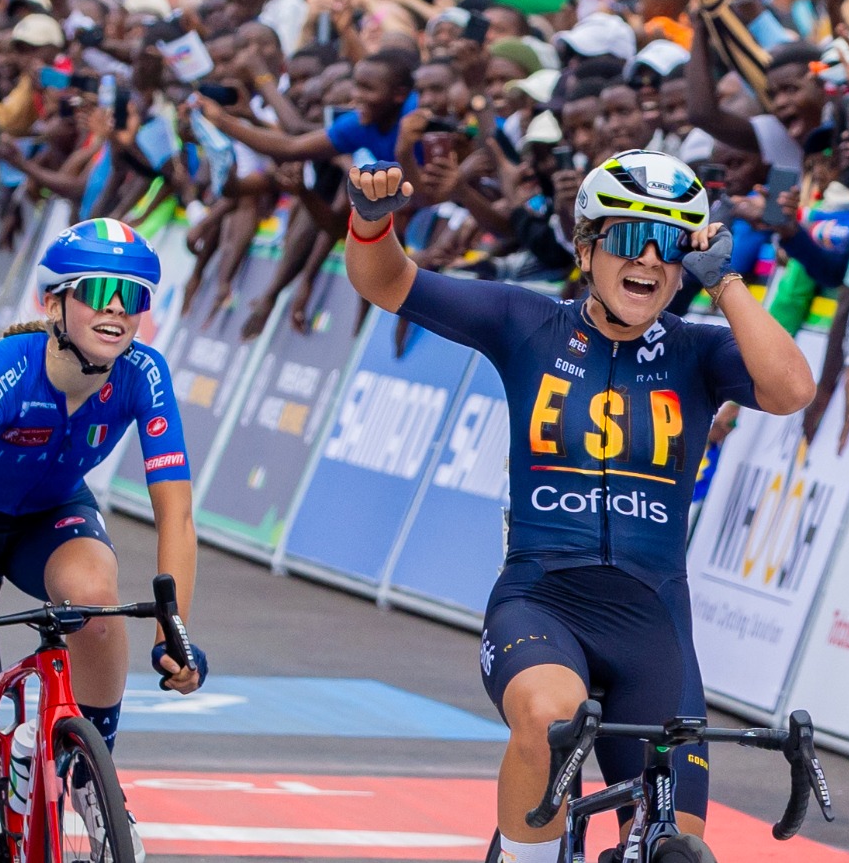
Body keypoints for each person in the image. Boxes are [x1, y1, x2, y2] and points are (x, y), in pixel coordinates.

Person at [343, 150, 815, 863]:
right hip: (543, 601)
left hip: (652, 622)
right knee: (548, 714)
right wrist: (372, 221)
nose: (649, 261)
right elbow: (389, 282)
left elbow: (790, 390)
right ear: (587, 246)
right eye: (628, 239)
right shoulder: (523, 322)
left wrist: (726, 284)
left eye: (671, 247)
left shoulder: (697, 354)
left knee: (680, 850)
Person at [0, 219, 208, 863]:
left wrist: (172, 633)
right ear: (54, 301)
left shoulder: (144, 375)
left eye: (133, 294)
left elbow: (175, 514)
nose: (117, 307)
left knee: (95, 598)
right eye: (96, 289)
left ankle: (96, 783)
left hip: (50, 512)